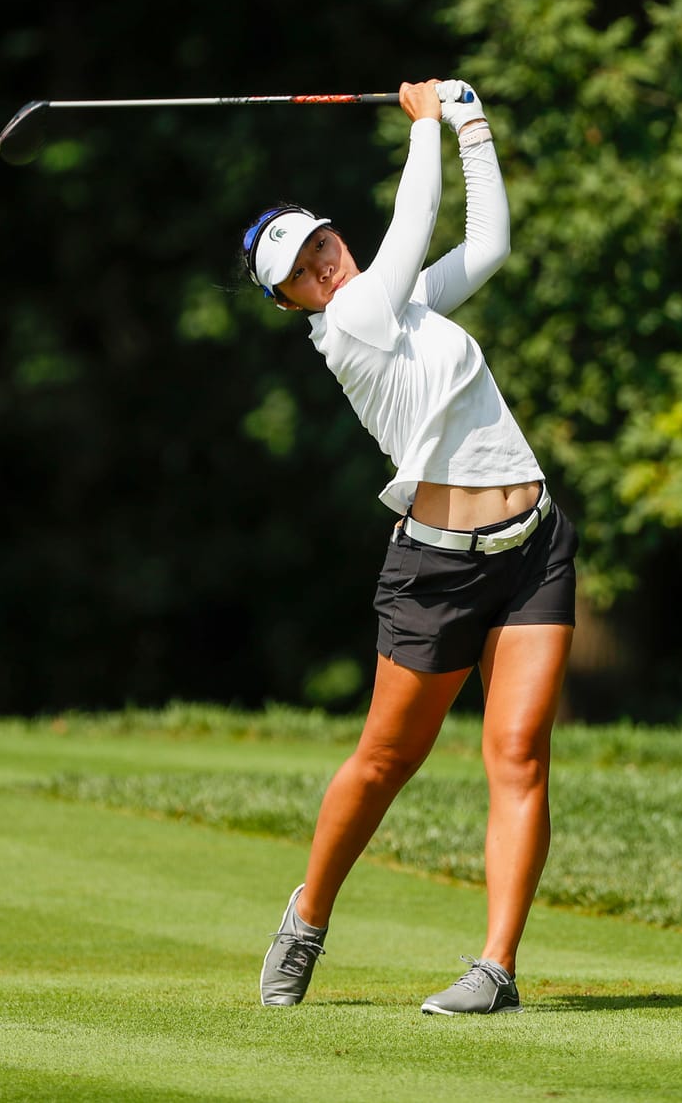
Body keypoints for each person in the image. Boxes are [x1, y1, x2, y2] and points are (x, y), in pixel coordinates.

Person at [243, 78, 577, 1016]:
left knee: (518, 754)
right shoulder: (350, 322)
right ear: (290, 303)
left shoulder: (408, 310)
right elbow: (417, 217)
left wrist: (472, 124)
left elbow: (493, 244)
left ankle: (496, 969)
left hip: (534, 545)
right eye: (300, 271)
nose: (322, 265)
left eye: (320, 242)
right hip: (438, 567)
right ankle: (307, 916)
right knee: (388, 759)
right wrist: (426, 122)